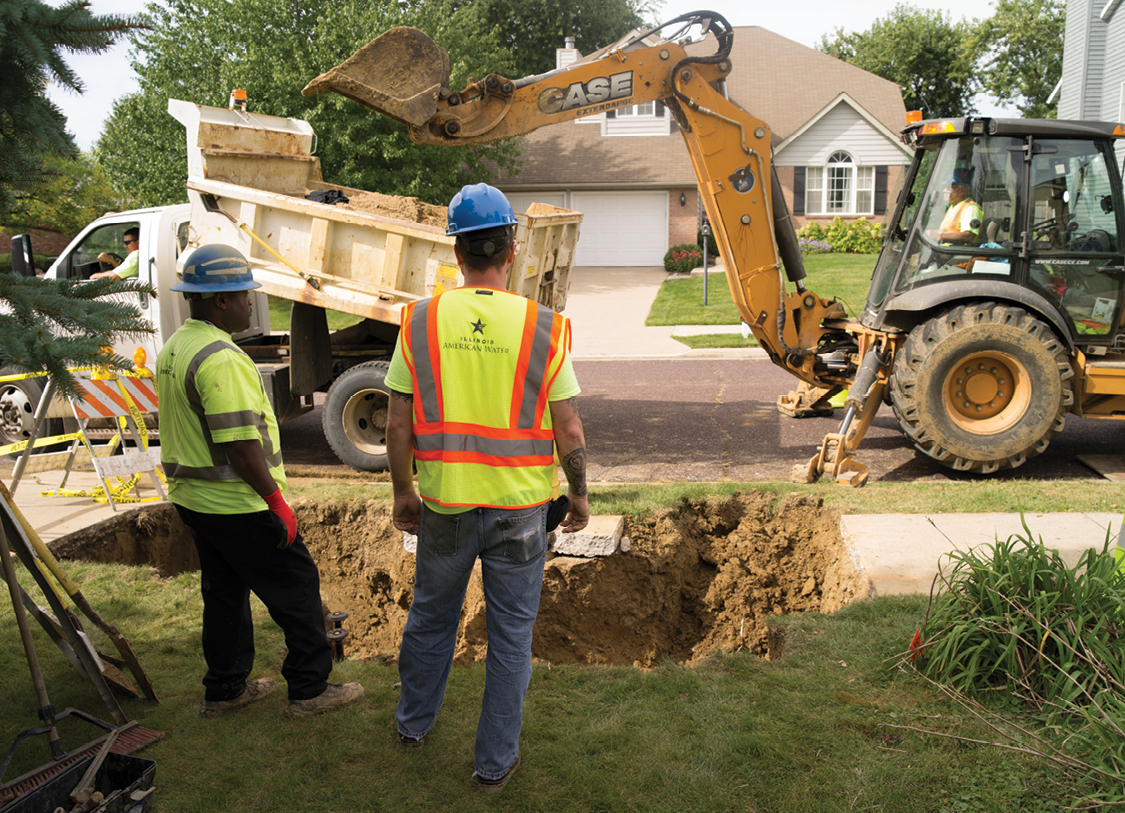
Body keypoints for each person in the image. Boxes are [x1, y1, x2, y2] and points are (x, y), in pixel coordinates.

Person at [385, 183, 589, 794]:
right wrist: (578, 497)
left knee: (430, 621)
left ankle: (411, 726)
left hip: (445, 507)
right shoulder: (544, 326)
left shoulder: (418, 320)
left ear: (456, 250)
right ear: (512, 246)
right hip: (521, 514)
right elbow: (569, 425)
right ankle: (494, 765)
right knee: (509, 641)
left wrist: (403, 493)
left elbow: (399, 422)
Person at [156, 244, 364, 720]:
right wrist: (276, 501)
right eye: (244, 295)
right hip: (237, 503)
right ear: (219, 301)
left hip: (194, 499)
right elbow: (239, 445)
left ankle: (226, 689)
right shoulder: (221, 357)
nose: (252, 302)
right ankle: (310, 691)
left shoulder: (176, 347)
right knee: (296, 586)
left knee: (224, 592)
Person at [935, 169, 983, 245]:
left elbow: (968, 236)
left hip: (958, 254)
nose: (944, 190)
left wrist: (939, 236)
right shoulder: (953, 207)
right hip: (945, 252)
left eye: (948, 187)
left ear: (961, 191)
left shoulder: (970, 209)